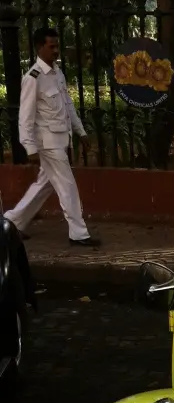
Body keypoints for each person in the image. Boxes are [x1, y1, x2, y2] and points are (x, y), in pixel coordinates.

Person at [4, 27, 99, 247]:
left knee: (44, 184)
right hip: (47, 144)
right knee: (67, 185)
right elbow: (25, 117)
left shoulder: (57, 73)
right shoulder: (33, 78)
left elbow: (68, 106)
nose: (56, 50)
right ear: (40, 47)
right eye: (51, 46)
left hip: (60, 139)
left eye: (57, 46)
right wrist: (30, 148)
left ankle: (12, 222)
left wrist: (81, 131)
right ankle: (79, 233)